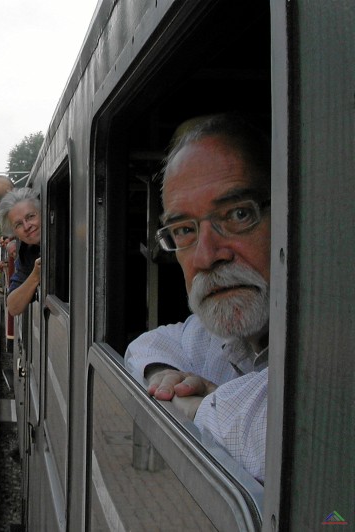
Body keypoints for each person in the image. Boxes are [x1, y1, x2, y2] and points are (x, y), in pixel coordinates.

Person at [125, 113, 270, 482]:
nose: (206, 256)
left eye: (238, 214)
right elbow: (147, 345)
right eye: (185, 229)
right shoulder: (219, 337)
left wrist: (200, 408)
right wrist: (167, 376)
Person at [0, 188, 42, 316]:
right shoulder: (26, 253)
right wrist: (35, 275)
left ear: (42, 213)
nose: (27, 226)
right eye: (18, 225)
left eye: (31, 217)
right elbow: (13, 307)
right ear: (15, 234)